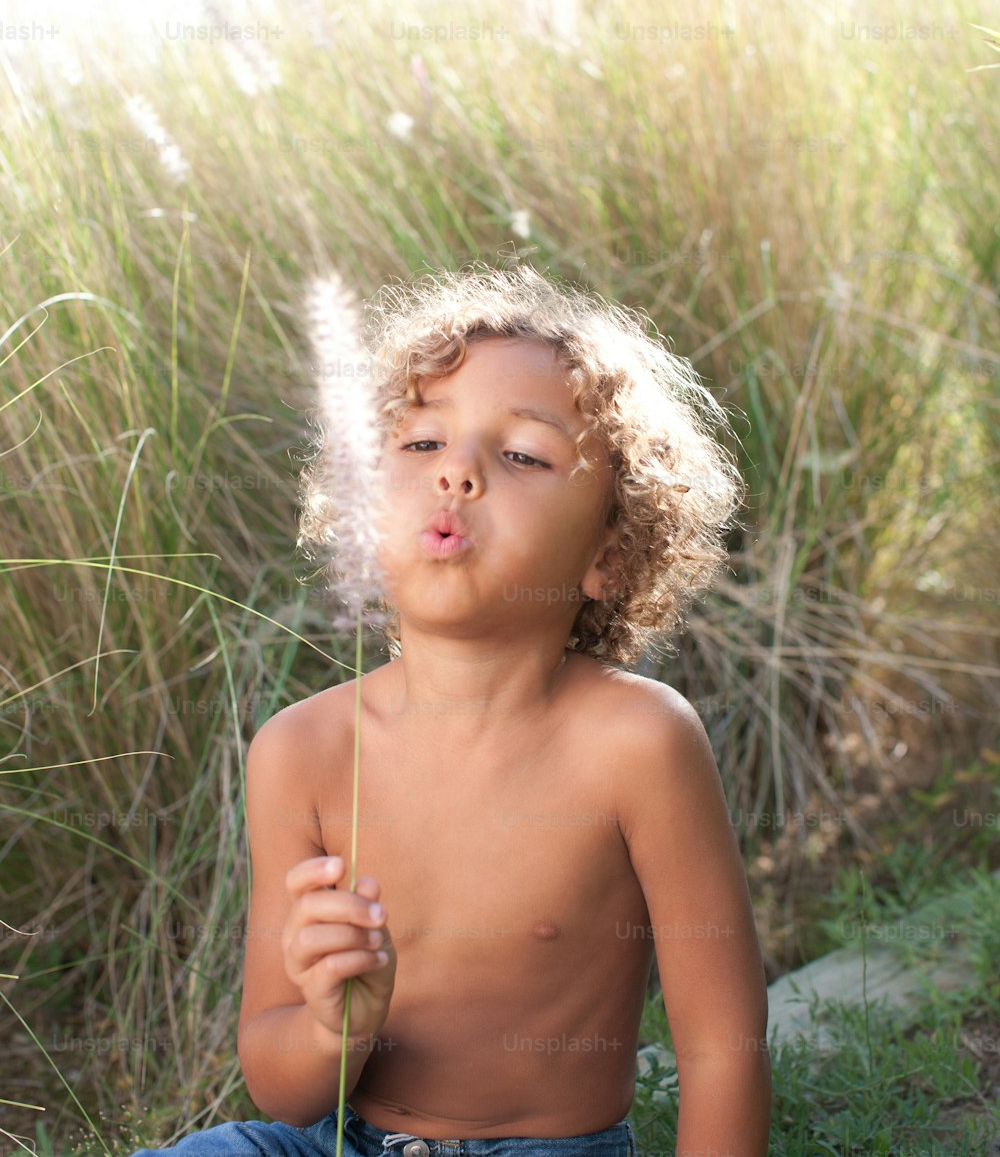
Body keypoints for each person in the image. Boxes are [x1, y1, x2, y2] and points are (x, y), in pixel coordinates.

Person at [132, 261, 771, 1157]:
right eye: (422, 443)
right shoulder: (304, 751)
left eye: (521, 456)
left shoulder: (636, 743)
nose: (458, 474)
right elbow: (279, 1087)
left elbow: (723, 1049)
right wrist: (333, 1027)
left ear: (610, 554)